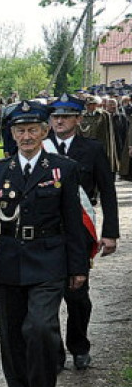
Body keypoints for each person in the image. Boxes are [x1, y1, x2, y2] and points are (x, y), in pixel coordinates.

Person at [0, 101, 89, 387]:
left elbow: (73, 223)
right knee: (10, 334)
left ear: (44, 131)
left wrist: (79, 267)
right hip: (8, 259)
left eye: (32, 129)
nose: (26, 136)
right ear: (12, 133)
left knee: (39, 328)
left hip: (50, 259)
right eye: (20, 130)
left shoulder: (63, 169)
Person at [47, 94, 120, 371]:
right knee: (47, 293)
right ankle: (54, 352)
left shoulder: (92, 149)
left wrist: (110, 232)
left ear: (78, 119)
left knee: (77, 294)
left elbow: (108, 192)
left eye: (66, 116)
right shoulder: (39, 147)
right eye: (55, 116)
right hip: (48, 232)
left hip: (79, 232)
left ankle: (78, 346)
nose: (59, 121)